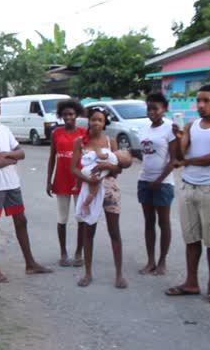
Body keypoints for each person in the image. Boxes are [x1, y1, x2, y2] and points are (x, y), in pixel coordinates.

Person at [0, 96, 53, 283]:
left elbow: (21, 152)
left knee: (21, 221)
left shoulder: (4, 130)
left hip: (12, 183)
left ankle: (30, 263)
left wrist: (8, 155)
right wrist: (12, 158)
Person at [166, 84, 210, 304]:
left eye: (206, 101)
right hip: (188, 187)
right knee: (191, 237)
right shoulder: (191, 125)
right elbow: (179, 155)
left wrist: (186, 161)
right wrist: (177, 139)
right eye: (199, 101)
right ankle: (191, 282)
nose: (201, 105)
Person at [71, 108, 131, 289]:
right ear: (88, 121)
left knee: (114, 232)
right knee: (88, 232)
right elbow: (73, 168)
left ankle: (119, 274)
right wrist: (87, 179)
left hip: (110, 190)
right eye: (93, 119)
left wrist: (106, 165)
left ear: (105, 123)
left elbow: (119, 169)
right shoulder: (80, 142)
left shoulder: (110, 142)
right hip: (90, 187)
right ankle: (88, 273)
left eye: (100, 120)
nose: (96, 123)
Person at [135, 93, 178, 276]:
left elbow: (174, 160)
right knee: (149, 223)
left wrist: (159, 181)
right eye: (149, 108)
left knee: (164, 223)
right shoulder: (145, 128)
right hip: (144, 181)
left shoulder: (170, 129)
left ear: (164, 109)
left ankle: (162, 262)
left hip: (163, 184)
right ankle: (150, 260)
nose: (152, 112)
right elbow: (144, 154)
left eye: (156, 108)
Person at [46, 100, 87, 267]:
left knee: (80, 217)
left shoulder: (84, 132)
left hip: (79, 179)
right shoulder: (56, 132)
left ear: (76, 114)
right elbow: (52, 158)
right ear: (61, 116)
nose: (68, 117)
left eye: (71, 114)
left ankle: (79, 252)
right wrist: (48, 180)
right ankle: (63, 253)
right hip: (61, 179)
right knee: (62, 217)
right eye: (65, 115)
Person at [76, 148, 131, 217]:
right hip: (94, 175)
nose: (119, 150)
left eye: (122, 151)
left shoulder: (112, 156)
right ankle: (85, 205)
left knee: (92, 192)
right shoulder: (114, 160)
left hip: (90, 172)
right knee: (92, 193)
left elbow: (102, 156)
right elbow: (118, 170)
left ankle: (76, 185)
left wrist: (98, 150)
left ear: (120, 157)